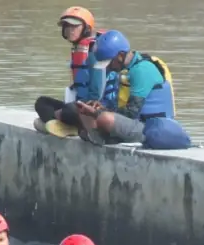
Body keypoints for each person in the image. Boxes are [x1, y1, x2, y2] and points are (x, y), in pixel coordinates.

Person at [73, 30, 176, 145]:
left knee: (104, 118)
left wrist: (98, 112)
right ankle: (99, 139)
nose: (108, 69)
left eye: (109, 64)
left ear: (121, 56)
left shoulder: (141, 70)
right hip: (138, 124)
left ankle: (103, 139)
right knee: (84, 112)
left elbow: (132, 112)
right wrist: (100, 108)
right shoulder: (127, 70)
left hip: (153, 129)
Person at [33, 6, 104, 138]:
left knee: (68, 110)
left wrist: (82, 107)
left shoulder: (94, 52)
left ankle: (68, 125)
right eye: (66, 27)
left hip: (92, 109)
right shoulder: (78, 49)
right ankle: (66, 126)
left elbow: (98, 92)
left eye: (74, 27)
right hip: (78, 105)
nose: (70, 30)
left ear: (86, 28)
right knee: (41, 103)